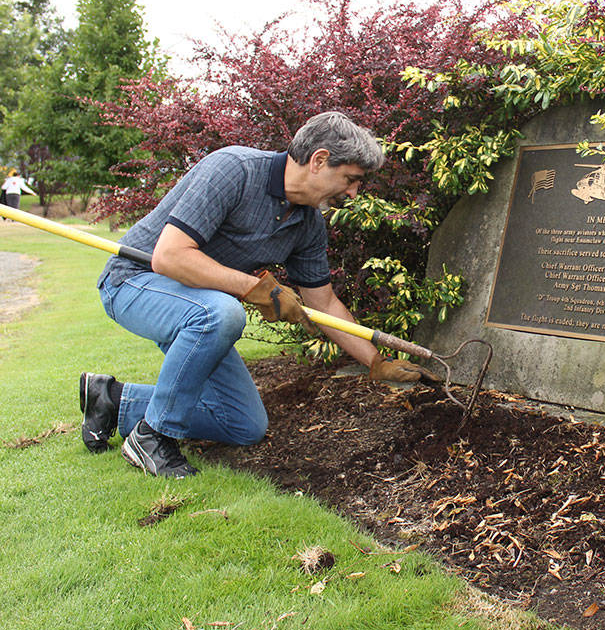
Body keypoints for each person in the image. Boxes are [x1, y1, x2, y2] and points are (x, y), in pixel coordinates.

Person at [79, 111, 433, 478]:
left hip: (197, 305)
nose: (353, 193)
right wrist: (251, 288)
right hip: (135, 282)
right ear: (320, 160)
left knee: (243, 424)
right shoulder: (234, 170)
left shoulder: (307, 224)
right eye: (351, 179)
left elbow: (323, 302)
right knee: (223, 313)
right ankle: (152, 436)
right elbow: (169, 256)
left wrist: (374, 360)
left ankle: (113, 400)